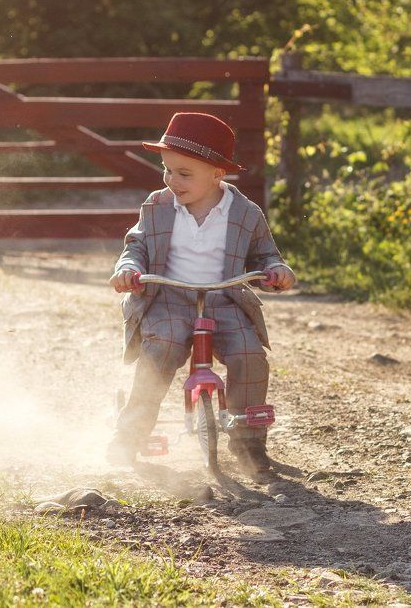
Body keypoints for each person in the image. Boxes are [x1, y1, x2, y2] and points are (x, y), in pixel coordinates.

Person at [107, 112, 296, 477]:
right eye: (167, 170)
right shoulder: (158, 206)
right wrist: (127, 269)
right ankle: (128, 436)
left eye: (184, 173)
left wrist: (277, 271)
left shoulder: (244, 213)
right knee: (160, 349)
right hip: (169, 298)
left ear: (217, 174)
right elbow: (137, 245)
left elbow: (265, 254)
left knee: (248, 353)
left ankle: (249, 441)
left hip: (224, 298)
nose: (172, 181)